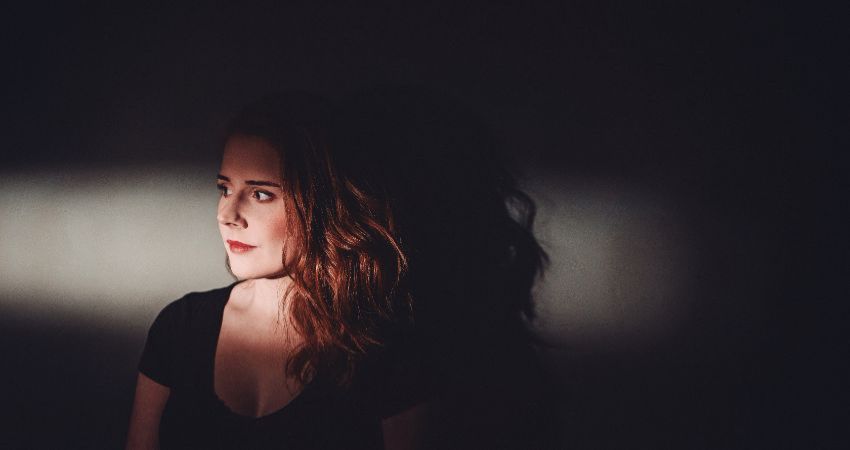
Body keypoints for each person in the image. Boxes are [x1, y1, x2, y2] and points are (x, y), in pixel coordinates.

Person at [126, 89, 559, 449]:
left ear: (324, 205)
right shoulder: (180, 327)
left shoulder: (384, 352)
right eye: (225, 188)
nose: (227, 215)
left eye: (260, 194)